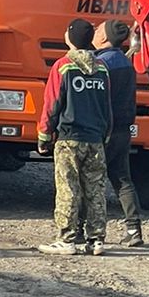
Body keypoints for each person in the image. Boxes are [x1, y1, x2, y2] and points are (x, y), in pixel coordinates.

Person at [36, 18, 112, 255]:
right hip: (95, 138)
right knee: (96, 188)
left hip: (69, 138)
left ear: (69, 38)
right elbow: (107, 106)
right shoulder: (102, 68)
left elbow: (52, 104)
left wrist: (44, 136)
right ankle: (96, 240)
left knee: (68, 188)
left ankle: (67, 240)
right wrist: (105, 134)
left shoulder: (63, 66)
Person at [94, 18, 145, 247]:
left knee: (92, 180)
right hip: (124, 129)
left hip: (103, 129)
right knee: (123, 179)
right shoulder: (126, 64)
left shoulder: (100, 64)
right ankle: (134, 230)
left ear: (104, 38)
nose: (94, 32)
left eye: (97, 30)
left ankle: (93, 233)